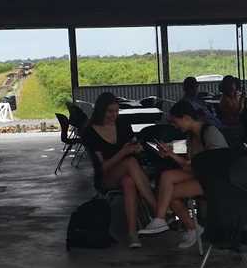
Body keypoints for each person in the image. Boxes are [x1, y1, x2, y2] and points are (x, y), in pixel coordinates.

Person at [140, 100, 229, 249]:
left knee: (169, 193)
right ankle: (162, 219)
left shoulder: (210, 132)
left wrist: (174, 156)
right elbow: (191, 165)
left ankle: (186, 226)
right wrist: (170, 154)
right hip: (201, 174)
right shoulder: (191, 137)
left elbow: (218, 162)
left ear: (186, 118)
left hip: (216, 178)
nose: (175, 126)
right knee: (167, 178)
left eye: (175, 122)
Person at [83, 92, 159, 248]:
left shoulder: (122, 124)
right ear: (100, 110)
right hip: (105, 177)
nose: (114, 115)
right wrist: (123, 153)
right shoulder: (90, 132)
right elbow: (102, 168)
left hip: (128, 174)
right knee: (129, 162)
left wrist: (136, 148)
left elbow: (133, 144)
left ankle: (132, 234)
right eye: (110, 111)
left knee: (129, 182)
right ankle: (158, 210)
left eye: (116, 111)